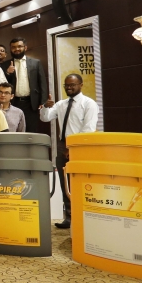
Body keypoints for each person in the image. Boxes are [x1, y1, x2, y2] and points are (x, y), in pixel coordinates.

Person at [40, 73, 99, 229]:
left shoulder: (89, 104)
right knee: (64, 182)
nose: (69, 88)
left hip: (81, 148)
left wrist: (74, 147)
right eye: (66, 85)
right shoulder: (61, 104)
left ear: (81, 85)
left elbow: (88, 129)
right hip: (62, 146)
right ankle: (69, 218)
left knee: (80, 184)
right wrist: (46, 107)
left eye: (72, 85)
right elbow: (45, 118)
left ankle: (82, 218)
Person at [0, 37, 48, 133]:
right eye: (13, 47)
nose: (16, 49)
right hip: (13, 103)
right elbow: (2, 84)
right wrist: (8, 73)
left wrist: (43, 102)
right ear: (10, 49)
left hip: (31, 104)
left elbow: (42, 83)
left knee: (31, 131)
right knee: (13, 130)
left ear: (25, 47)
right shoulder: (5, 65)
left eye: (19, 46)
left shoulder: (35, 63)